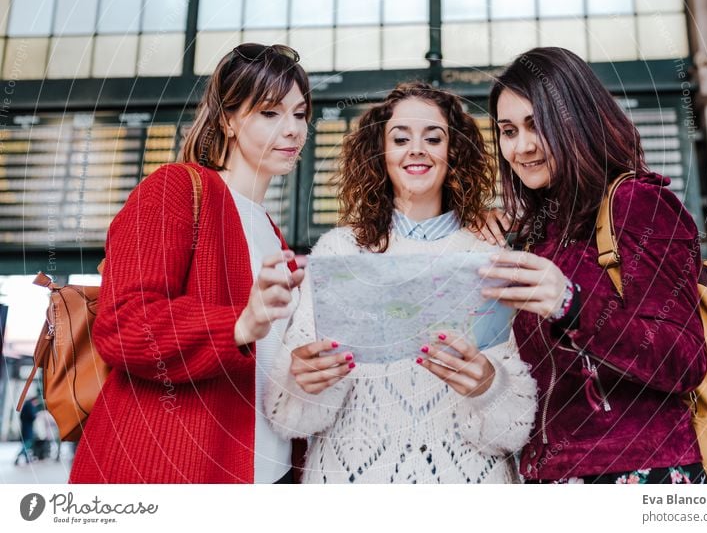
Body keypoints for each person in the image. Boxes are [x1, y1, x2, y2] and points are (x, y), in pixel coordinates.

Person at [263, 82, 537, 484]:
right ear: (381, 153)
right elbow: (289, 415)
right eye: (400, 138)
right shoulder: (339, 252)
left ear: (454, 153)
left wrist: (489, 387)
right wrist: (303, 383)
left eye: (433, 138)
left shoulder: (489, 256)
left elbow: (512, 428)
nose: (417, 149)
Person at [69, 44, 311, 483]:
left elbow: (265, 360)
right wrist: (238, 324)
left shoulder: (269, 229)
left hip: (265, 471)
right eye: (271, 113)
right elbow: (123, 325)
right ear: (228, 120)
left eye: (300, 113)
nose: (293, 129)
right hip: (174, 467)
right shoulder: (176, 189)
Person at [480, 47, 707, 484]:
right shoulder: (537, 233)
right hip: (546, 476)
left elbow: (686, 359)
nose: (522, 146)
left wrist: (573, 303)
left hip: (637, 469)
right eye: (508, 131)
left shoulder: (639, 204)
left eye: (537, 124)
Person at [14, 394, 41, 465]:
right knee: (27, 443)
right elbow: (32, 416)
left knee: (26, 443)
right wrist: (36, 415)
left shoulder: (26, 405)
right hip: (28, 428)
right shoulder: (30, 406)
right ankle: (19, 456)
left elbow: (21, 417)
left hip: (24, 427)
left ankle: (27, 459)